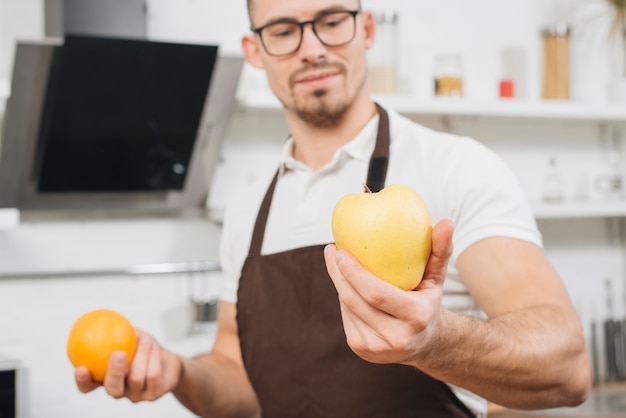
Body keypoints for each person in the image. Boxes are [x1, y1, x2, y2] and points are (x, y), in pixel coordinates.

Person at [74, 0, 592, 416]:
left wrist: (434, 341)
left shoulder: (454, 166)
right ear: (254, 52)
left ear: (366, 29)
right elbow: (240, 384)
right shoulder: (248, 209)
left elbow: (567, 366)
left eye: (331, 21)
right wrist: (179, 374)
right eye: (282, 30)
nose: (312, 48)